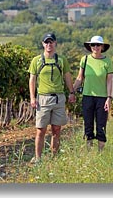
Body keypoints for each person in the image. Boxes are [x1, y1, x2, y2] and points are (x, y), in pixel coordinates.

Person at [28, 32, 76, 163]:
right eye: (46, 42)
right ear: (43, 44)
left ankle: (54, 157)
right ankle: (38, 157)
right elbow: (32, 80)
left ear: (55, 43)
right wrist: (32, 97)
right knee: (40, 130)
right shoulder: (36, 61)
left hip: (58, 98)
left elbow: (67, 77)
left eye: (51, 42)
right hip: (43, 99)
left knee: (56, 129)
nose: (49, 44)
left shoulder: (61, 60)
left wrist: (71, 92)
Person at [73, 36, 113, 151]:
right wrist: (72, 91)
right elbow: (80, 78)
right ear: (90, 47)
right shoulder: (85, 59)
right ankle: (89, 151)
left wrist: (109, 98)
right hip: (87, 97)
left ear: (102, 47)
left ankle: (101, 151)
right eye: (93, 45)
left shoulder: (107, 61)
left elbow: (109, 81)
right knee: (88, 124)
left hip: (102, 98)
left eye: (98, 45)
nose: (95, 47)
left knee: (101, 125)